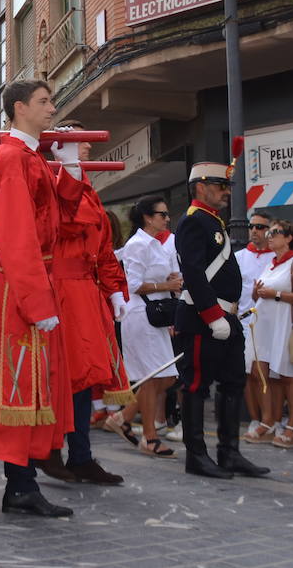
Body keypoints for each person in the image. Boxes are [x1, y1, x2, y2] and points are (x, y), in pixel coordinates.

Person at [0, 80, 80, 522]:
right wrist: (37, 302)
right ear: (19, 107)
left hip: (31, 280)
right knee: (13, 387)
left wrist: (71, 170)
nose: (52, 107)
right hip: (21, 286)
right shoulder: (11, 157)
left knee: (30, 389)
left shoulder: (27, 157)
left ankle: (21, 486)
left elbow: (56, 217)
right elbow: (17, 231)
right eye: (44, 101)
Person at [37, 119, 129, 486]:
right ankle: (54, 450)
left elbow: (103, 246)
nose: (87, 144)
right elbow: (67, 223)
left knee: (84, 375)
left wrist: (115, 288)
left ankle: (79, 454)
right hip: (62, 288)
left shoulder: (82, 183)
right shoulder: (54, 180)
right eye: (78, 138)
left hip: (83, 290)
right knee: (65, 375)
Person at [174, 162, 269, 479]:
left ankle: (230, 453)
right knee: (197, 386)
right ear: (201, 187)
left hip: (226, 316)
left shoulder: (213, 222)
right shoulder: (193, 222)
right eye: (220, 186)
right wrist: (213, 316)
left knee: (233, 383)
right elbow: (194, 272)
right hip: (204, 318)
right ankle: (196, 456)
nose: (226, 192)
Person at [117, 195, 180, 457]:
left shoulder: (155, 244)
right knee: (154, 376)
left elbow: (156, 276)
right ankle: (149, 436)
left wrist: (170, 278)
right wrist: (167, 285)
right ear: (148, 217)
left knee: (165, 375)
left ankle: (124, 417)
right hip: (142, 315)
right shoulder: (137, 245)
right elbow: (132, 284)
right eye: (162, 214)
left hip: (156, 314)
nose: (166, 218)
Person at [248, 220, 293, 448]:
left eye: (275, 232)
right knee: (261, 372)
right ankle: (268, 420)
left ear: (289, 237)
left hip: (284, 323)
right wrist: (257, 293)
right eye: (270, 232)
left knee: (287, 375)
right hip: (266, 323)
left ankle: (292, 425)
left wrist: (274, 294)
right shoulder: (271, 263)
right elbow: (262, 294)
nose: (269, 235)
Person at [237, 210, 274, 442]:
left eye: (260, 227)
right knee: (248, 375)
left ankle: (270, 419)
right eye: (252, 226)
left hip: (270, 322)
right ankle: (255, 417)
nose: (254, 231)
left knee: (268, 375)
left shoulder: (276, 258)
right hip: (244, 322)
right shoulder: (240, 256)